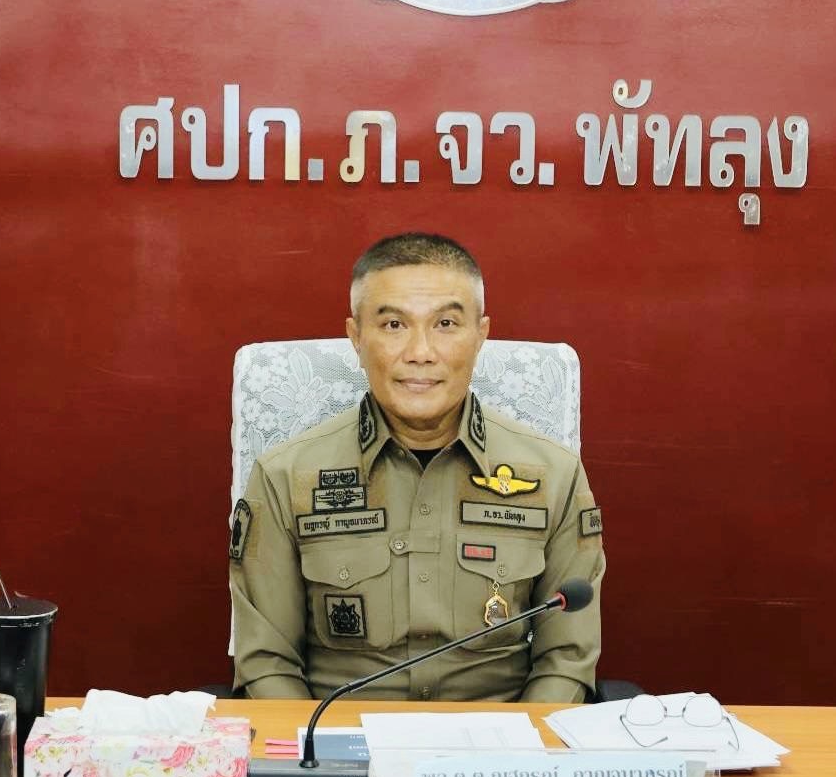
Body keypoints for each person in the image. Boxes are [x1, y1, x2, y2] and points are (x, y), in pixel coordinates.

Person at [230, 233, 605, 702]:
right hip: (337, 737)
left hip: (499, 740)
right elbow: (268, 664)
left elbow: (566, 661)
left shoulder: (555, 476)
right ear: (356, 337)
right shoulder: (285, 477)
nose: (420, 352)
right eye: (393, 325)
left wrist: (521, 748)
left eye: (445, 323)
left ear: (480, 336)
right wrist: (318, 749)